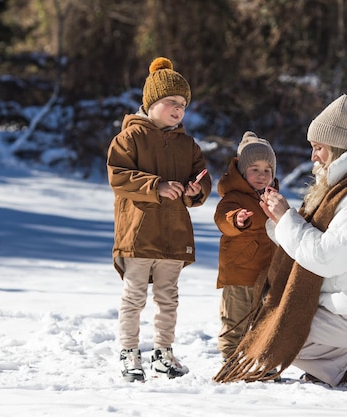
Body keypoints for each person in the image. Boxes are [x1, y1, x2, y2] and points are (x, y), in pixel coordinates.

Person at [214, 94, 347, 388]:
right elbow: (312, 241)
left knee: (277, 328)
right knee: (277, 319)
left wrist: (288, 219)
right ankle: (346, 364)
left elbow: (328, 257)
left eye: (318, 148)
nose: (313, 157)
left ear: (336, 148)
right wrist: (281, 220)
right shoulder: (345, 188)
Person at [107, 57, 212, 382]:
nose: (178, 109)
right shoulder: (130, 138)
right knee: (134, 296)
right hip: (139, 236)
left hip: (173, 235)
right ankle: (129, 352)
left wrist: (195, 189)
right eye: (171, 102)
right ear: (151, 102)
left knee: (169, 298)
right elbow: (119, 176)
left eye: (183, 104)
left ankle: (163, 353)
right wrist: (157, 186)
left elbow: (203, 178)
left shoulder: (187, 144)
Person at [214, 131, 278, 361]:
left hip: (267, 274)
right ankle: (231, 360)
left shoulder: (273, 198)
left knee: (266, 322)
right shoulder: (234, 197)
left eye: (267, 170)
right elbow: (222, 219)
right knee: (236, 321)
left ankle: (262, 360)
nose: (261, 175)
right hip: (239, 273)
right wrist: (237, 219)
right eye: (255, 170)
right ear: (242, 172)